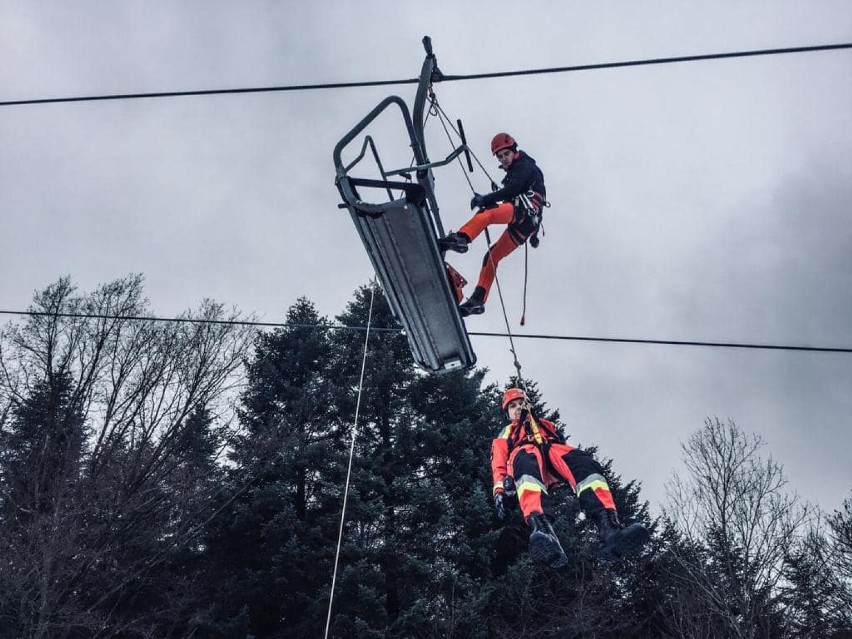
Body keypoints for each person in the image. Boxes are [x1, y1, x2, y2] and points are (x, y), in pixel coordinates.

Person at [491, 388, 649, 568]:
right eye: (513, 406)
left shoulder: (545, 425)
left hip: (551, 449)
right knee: (526, 465)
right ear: (507, 412)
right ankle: (542, 530)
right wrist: (500, 489)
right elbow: (498, 460)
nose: (518, 408)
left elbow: (559, 444)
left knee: (584, 464)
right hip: (525, 454)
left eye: (521, 403)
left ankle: (609, 527)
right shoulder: (507, 432)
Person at [439, 132, 546, 317]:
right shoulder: (517, 172)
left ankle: (461, 239)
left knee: (486, 214)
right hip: (524, 226)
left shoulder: (525, 166)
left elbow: (512, 191)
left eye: (506, 154)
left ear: (514, 151)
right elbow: (514, 194)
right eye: (500, 156)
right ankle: (478, 301)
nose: (504, 159)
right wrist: (534, 236)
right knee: (491, 257)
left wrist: (484, 200)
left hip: (522, 212)